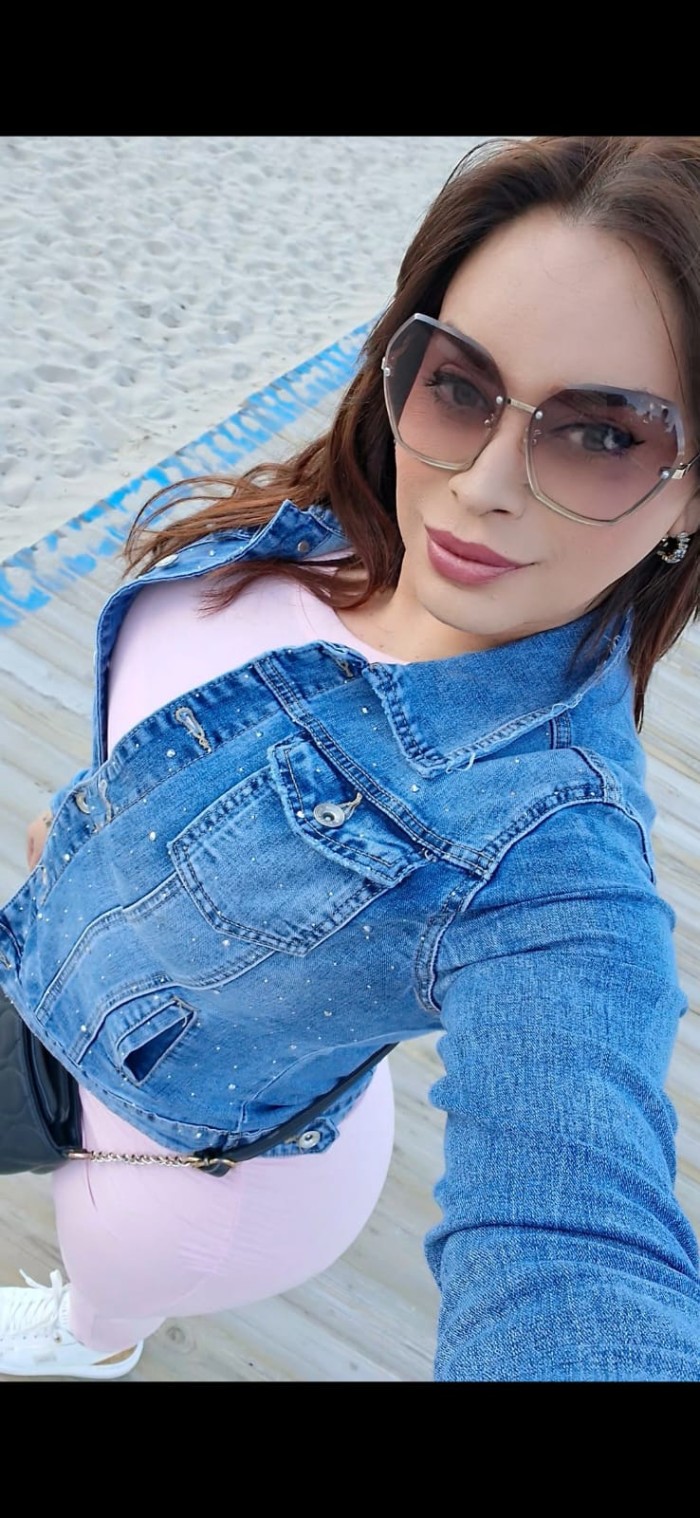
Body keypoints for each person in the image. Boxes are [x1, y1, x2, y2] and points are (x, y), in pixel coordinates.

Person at [2, 133, 700, 1384]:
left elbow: (573, 1234)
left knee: (99, 1312)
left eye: (603, 435)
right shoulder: (345, 521)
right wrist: (99, 825)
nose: (478, 485)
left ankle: (88, 1343)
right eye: (461, 386)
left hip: (177, 1185)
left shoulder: (549, 854)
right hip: (55, 970)